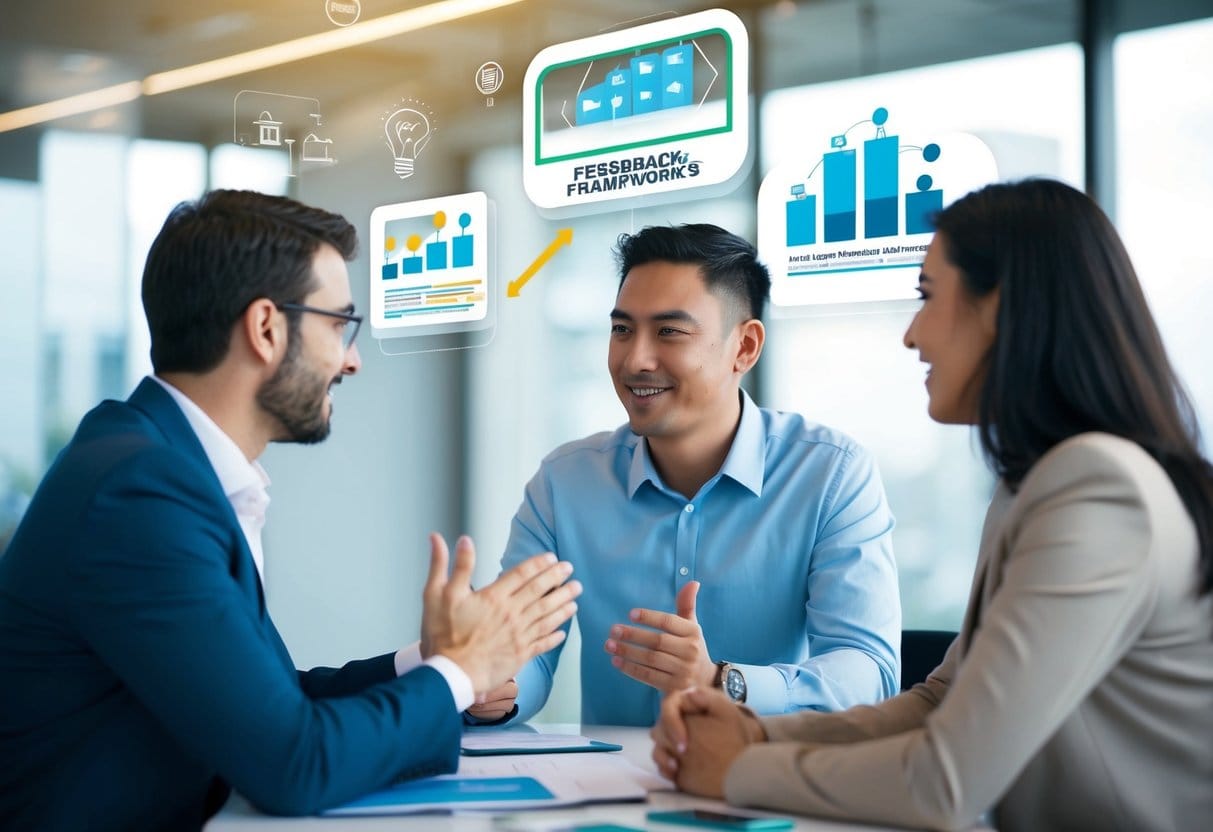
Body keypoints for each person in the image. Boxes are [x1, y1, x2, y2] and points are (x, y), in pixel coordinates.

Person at [0, 190, 582, 830]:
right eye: (339, 326)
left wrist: (431, 660)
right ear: (267, 329)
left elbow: (272, 706)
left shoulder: (154, 462)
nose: (351, 358)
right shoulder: (139, 494)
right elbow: (293, 762)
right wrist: (460, 674)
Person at [651, 180, 1213, 831]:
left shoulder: (1097, 489)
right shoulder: (1034, 483)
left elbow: (945, 782)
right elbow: (939, 702)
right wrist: (755, 736)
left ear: (999, 308)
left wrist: (735, 771)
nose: (911, 336)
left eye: (926, 297)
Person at [468, 224, 900, 727]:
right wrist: (494, 683)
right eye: (622, 330)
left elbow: (868, 671)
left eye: (669, 331)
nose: (635, 359)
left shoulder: (831, 476)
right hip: (603, 795)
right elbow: (531, 653)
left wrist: (723, 681)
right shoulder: (565, 483)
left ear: (745, 347)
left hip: (763, 786)